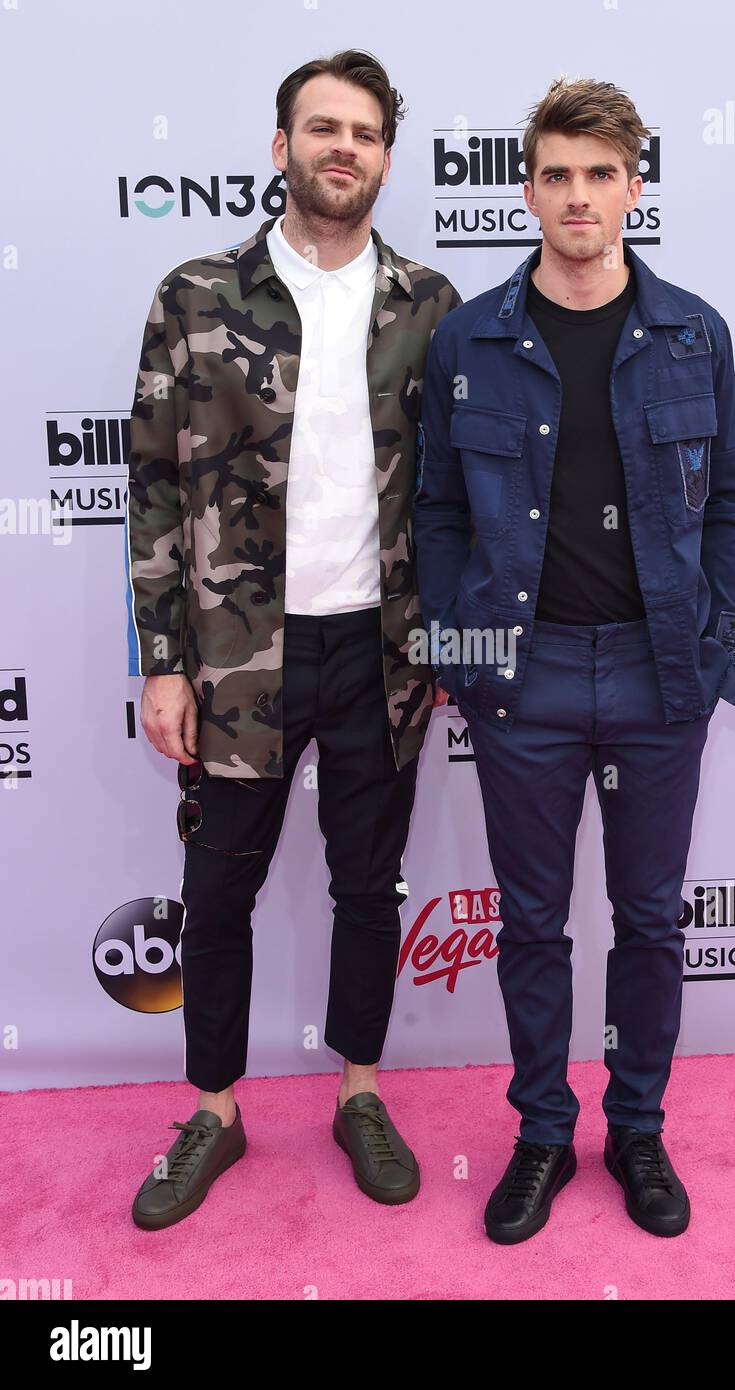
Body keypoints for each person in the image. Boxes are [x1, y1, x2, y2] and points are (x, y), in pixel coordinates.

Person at [413, 75, 735, 1245]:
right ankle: (542, 1133)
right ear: (526, 188)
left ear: (632, 189)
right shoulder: (470, 338)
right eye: (555, 173)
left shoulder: (692, 330)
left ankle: (640, 1128)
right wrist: (463, 656)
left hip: (661, 672)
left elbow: (729, 511)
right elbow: (438, 510)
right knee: (531, 922)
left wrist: (712, 646)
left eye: (598, 174)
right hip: (524, 675)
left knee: (651, 920)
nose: (576, 196)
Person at [126, 49, 459, 1230]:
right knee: (216, 900)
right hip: (233, 660)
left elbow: (458, 494)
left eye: (365, 132)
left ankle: (359, 1094)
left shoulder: (429, 305)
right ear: (282, 148)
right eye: (323, 127)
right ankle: (212, 1112)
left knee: (368, 890)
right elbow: (156, 490)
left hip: (382, 654)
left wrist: (457, 645)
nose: (342, 148)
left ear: (382, 157)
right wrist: (162, 660)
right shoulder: (194, 294)